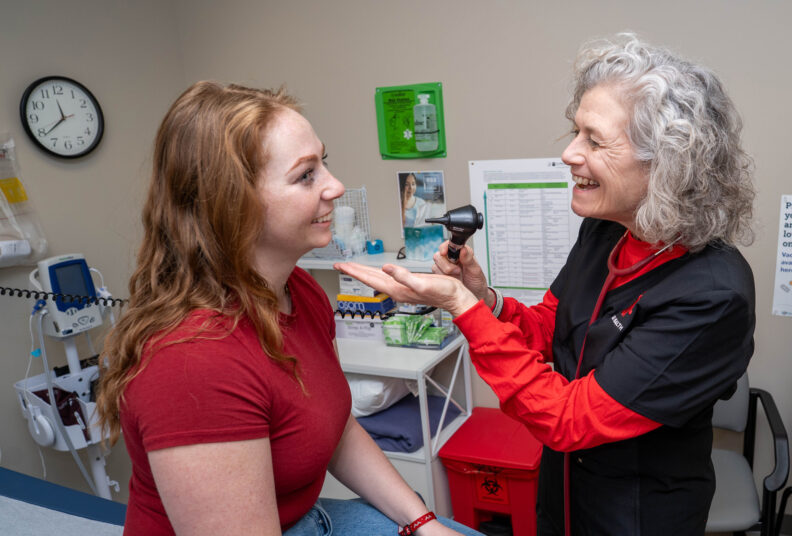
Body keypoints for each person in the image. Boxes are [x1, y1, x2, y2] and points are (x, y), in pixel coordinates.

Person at [336, 33, 756, 536]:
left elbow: (568, 418)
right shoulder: (605, 230)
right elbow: (552, 328)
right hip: (562, 494)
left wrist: (460, 308)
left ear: (667, 161)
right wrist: (483, 300)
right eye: (574, 132)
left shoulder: (713, 295)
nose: (569, 154)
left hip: (636, 514)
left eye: (594, 140)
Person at [95, 81, 483, 536]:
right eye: (306, 175)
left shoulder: (299, 290)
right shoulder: (192, 363)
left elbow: (333, 427)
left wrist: (422, 522)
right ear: (232, 203)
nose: (335, 186)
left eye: (324, 162)